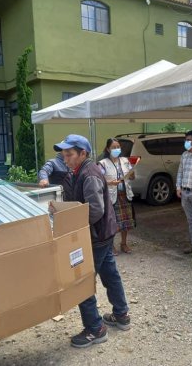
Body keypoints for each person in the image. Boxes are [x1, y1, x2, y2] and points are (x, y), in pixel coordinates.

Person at [52, 134, 130, 348]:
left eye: (69, 154)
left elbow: (95, 210)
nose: (65, 158)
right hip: (103, 233)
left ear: (83, 154)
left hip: (95, 235)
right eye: (63, 154)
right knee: (110, 273)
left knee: (81, 281)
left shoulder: (89, 173)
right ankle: (121, 314)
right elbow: (80, 201)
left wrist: (72, 223)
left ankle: (95, 329)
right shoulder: (79, 170)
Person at [99, 138, 136, 255]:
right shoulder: (103, 163)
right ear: (108, 149)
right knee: (112, 222)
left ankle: (124, 243)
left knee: (125, 222)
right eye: (114, 147)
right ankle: (111, 245)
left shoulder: (125, 160)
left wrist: (132, 173)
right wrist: (110, 183)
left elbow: (132, 177)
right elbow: (99, 181)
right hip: (111, 196)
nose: (116, 149)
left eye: (118, 147)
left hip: (125, 194)